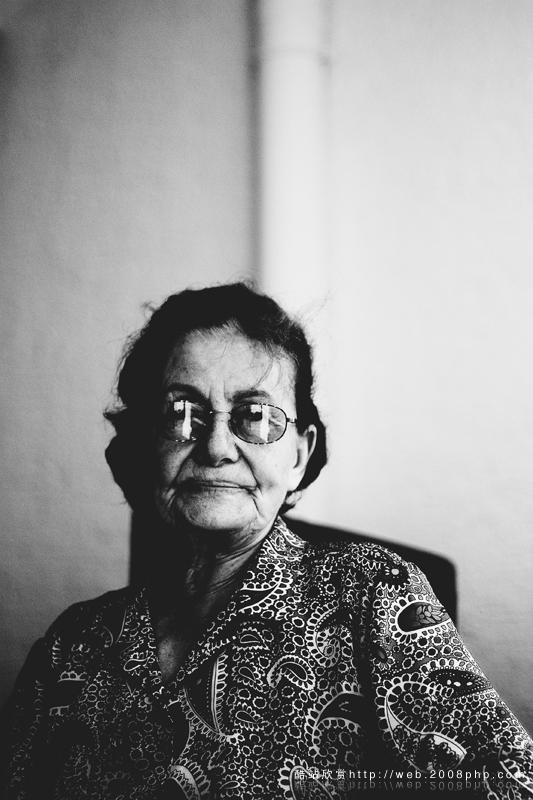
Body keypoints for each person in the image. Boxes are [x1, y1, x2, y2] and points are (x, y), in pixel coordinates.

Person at [1, 283, 532, 800]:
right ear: (143, 445)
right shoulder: (72, 647)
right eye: (181, 412)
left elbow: (510, 785)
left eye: (255, 416)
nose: (215, 447)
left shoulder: (372, 594)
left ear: (299, 454)